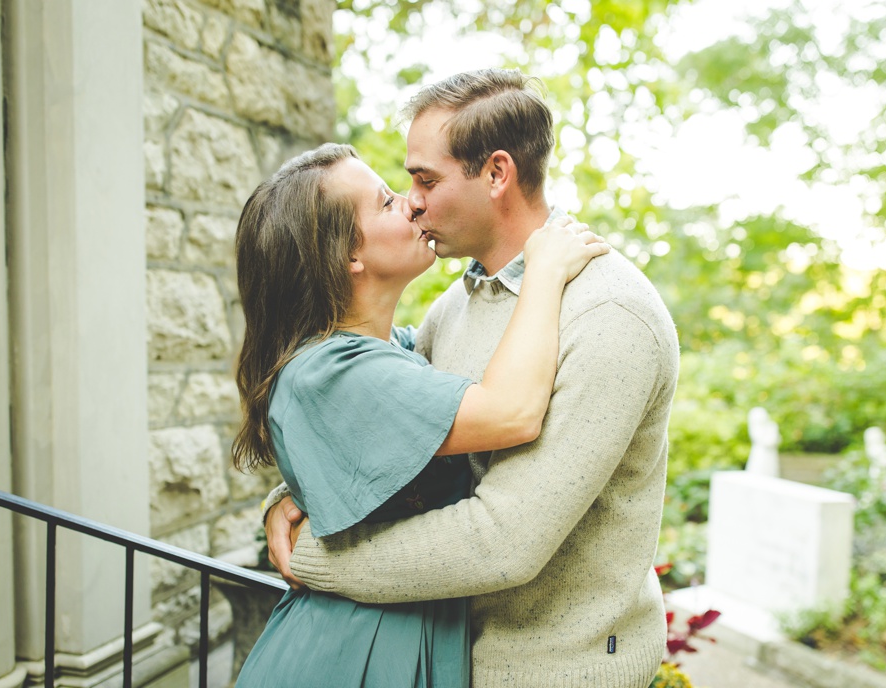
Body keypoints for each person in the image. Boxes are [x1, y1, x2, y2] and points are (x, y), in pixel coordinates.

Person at [262, 69, 680, 687]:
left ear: (496, 174)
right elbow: (391, 430)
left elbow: (502, 541)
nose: (414, 201)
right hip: (443, 660)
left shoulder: (608, 314)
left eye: (425, 179)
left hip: (553, 670)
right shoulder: (454, 306)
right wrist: (297, 493)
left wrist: (317, 558)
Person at [231, 142, 609, 687]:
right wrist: (542, 270)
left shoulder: (394, 352)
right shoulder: (331, 371)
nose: (411, 204)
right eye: (386, 202)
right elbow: (512, 411)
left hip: (401, 641)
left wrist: (290, 494)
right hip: (350, 657)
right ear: (347, 256)